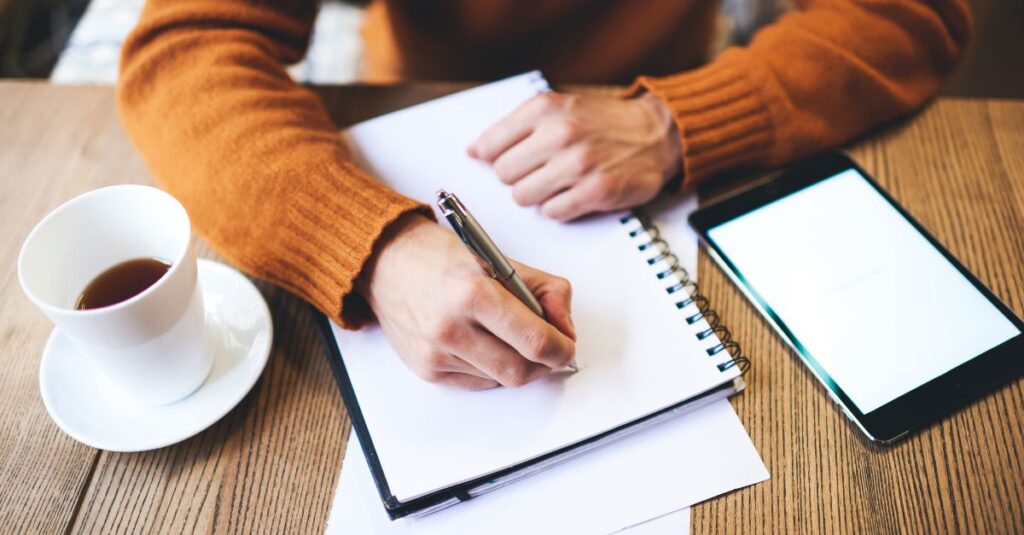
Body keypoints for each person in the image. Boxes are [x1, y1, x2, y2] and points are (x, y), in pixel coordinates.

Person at [116, 0, 970, 389]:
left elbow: (916, 14)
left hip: (665, 108)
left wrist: (681, 121)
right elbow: (184, 50)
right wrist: (375, 246)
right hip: (417, 112)